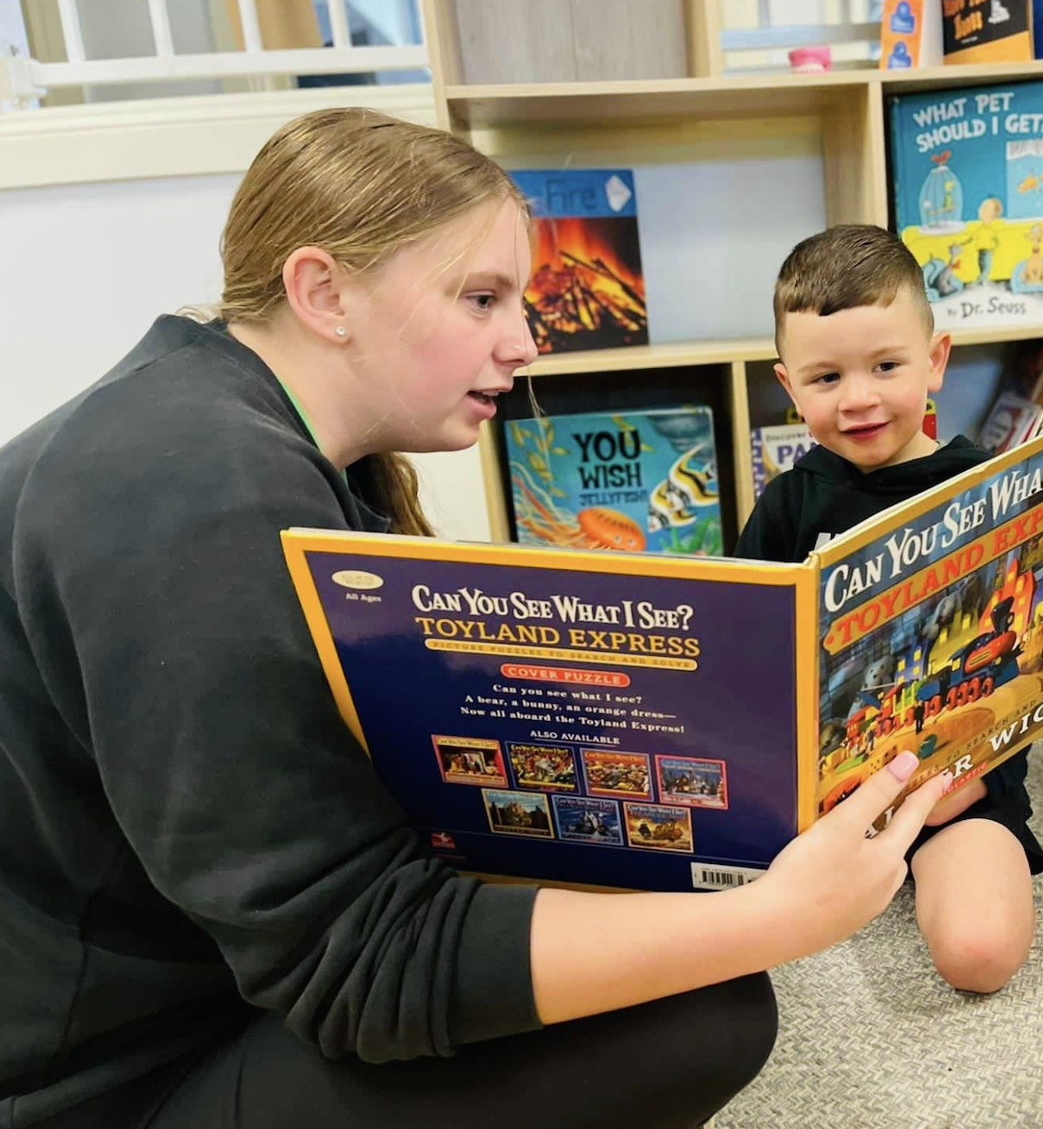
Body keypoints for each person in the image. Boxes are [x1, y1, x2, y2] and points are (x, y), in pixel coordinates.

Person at [0, 109, 952, 1129]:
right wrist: (777, 917)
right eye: (482, 298)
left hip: (185, 971)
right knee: (701, 1009)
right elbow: (359, 967)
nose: (525, 341)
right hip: (111, 1083)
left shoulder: (224, 420)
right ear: (323, 293)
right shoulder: (200, 496)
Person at [735, 224, 1043, 996]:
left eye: (885, 365)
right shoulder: (788, 503)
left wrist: (973, 773)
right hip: (821, 797)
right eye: (826, 377)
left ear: (935, 361)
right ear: (789, 387)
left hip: (954, 788)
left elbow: (1022, 657)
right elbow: (746, 649)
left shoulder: (985, 488)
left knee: (980, 952)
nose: (859, 398)